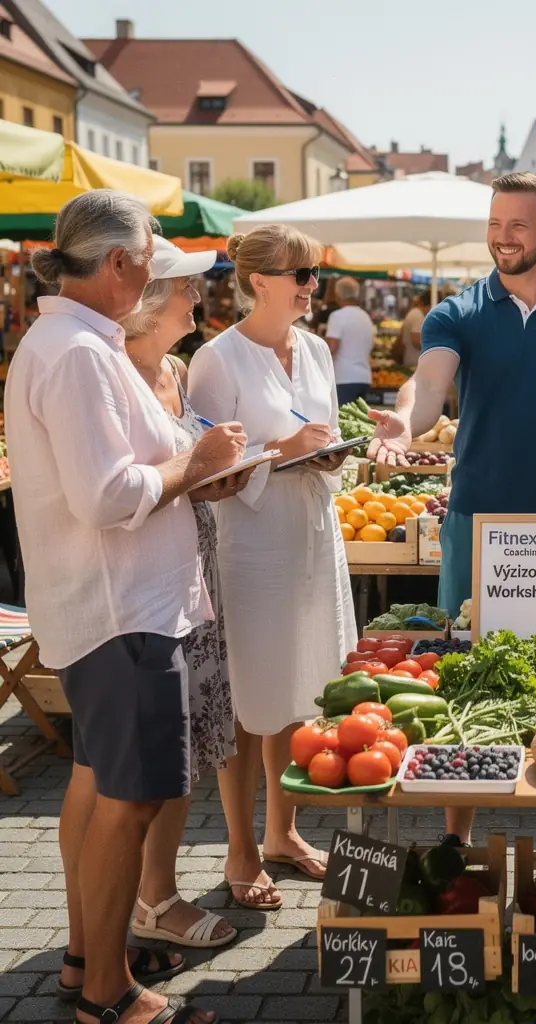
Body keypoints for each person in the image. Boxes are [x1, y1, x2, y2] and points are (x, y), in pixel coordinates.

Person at [5, 191, 248, 1024]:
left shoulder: (77, 343)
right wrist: (197, 464)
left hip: (120, 607)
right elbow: (107, 496)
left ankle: (89, 961)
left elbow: (130, 472)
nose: (159, 270)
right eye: (152, 254)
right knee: (130, 800)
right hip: (125, 611)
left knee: (109, 788)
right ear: (118, 263)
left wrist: (194, 473)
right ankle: (107, 993)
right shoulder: (78, 353)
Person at [367, 171, 536, 866]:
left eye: (518, 225)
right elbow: (429, 385)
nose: (502, 238)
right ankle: (456, 833)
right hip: (477, 522)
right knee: (465, 667)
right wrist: (404, 420)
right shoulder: (456, 312)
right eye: (494, 224)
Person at [188, 226, 359, 910]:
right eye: (302, 274)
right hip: (251, 543)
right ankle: (240, 847)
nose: (312, 285)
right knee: (245, 698)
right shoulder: (216, 358)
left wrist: (329, 453)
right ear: (259, 281)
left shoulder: (315, 349)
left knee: (296, 687)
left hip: (313, 533)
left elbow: (325, 431)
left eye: (316, 273)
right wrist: (282, 450)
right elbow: (205, 469)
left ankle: (282, 832)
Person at [119, 236, 239, 951]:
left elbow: (186, 470)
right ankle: (153, 899)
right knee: (167, 746)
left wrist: (220, 475)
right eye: (188, 286)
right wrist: (201, 465)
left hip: (198, 564)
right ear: (152, 300)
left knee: (190, 743)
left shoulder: (175, 368)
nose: (199, 295)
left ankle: (154, 893)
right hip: (153, 583)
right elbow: (130, 487)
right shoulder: (118, 374)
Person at [325, 275, 375, 406]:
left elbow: (332, 347)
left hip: (344, 377)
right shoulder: (365, 317)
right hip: (364, 378)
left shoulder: (337, 316)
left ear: (337, 295)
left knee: (342, 417)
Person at [400, 291, 431, 367]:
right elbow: (416, 341)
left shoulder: (415, 313)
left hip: (412, 360)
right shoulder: (418, 316)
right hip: (414, 362)